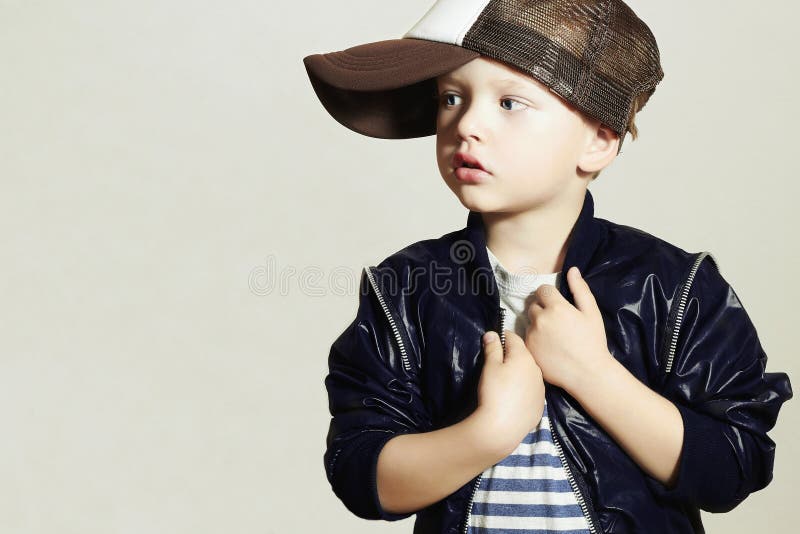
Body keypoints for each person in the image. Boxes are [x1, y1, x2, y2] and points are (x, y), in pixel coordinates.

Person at [302, 1, 793, 532]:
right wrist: (487, 433)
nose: (467, 124)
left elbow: (733, 468)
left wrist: (595, 375)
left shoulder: (672, 288)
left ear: (599, 139)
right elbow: (360, 472)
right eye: (451, 97)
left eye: (510, 102)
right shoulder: (405, 290)